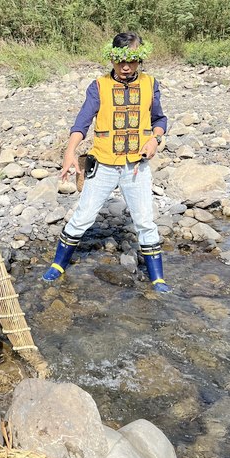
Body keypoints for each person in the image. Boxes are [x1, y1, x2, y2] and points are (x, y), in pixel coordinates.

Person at [42, 31, 170, 292]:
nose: (125, 67)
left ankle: (157, 278)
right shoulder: (98, 86)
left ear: (140, 60)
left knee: (145, 221)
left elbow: (160, 120)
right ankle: (57, 264)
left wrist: (155, 139)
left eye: (132, 61)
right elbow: (82, 123)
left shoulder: (150, 84)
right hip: (103, 165)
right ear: (111, 59)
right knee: (82, 217)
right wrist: (69, 152)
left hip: (136, 166)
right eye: (120, 61)